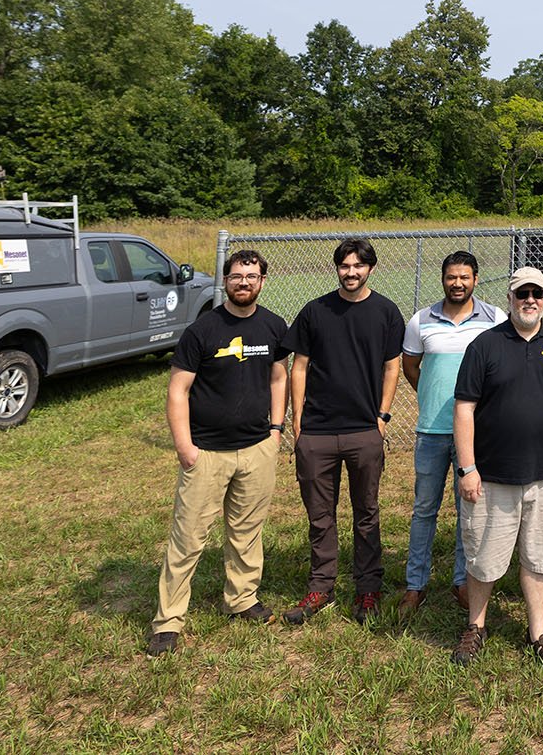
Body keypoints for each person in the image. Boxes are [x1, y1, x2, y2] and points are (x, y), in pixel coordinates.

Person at [146, 249, 289, 656]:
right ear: (224, 280)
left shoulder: (273, 326)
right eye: (236, 275)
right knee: (188, 538)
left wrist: (276, 430)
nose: (244, 282)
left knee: (247, 532)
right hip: (206, 452)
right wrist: (184, 446)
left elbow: (279, 378)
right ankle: (169, 621)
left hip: (257, 448)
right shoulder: (202, 330)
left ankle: (241, 599)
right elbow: (178, 391)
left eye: (252, 276)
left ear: (263, 281)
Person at [449, 267, 543, 672]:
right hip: (491, 475)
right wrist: (467, 468)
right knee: (483, 557)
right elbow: (465, 409)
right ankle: (476, 626)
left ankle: (538, 633)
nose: (530, 299)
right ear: (510, 297)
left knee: (541, 557)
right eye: (522, 293)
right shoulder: (485, 345)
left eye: (537, 293)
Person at [281, 238, 403, 626]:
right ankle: (322, 586)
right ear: (337, 269)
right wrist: (296, 420)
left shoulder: (385, 312)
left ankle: (368, 588)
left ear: (371, 269)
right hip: (316, 432)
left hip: (364, 430)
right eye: (344, 266)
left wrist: (382, 416)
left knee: (366, 512)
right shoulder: (315, 311)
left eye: (358, 266)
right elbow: (298, 366)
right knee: (320, 515)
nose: (351, 272)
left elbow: (392, 366)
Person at [398, 250, 505, 616]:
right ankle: (416, 585)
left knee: (469, 511)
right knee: (424, 509)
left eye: (464, 277)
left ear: (476, 278)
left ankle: (463, 581)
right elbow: (411, 365)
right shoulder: (421, 320)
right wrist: (432, 394)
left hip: (475, 435)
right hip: (431, 431)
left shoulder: (495, 319)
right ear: (442, 279)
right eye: (450, 277)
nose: (457, 283)